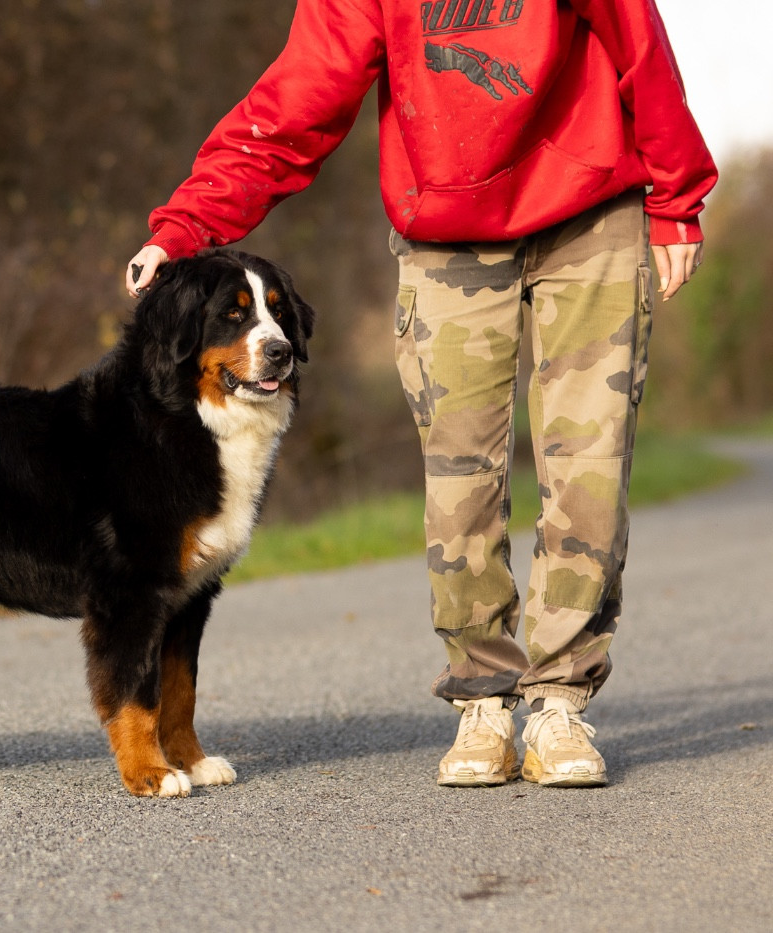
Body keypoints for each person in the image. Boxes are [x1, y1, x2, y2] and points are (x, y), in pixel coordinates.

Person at [126, 0, 716, 787]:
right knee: (460, 466)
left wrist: (678, 198)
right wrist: (186, 227)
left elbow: (640, 42)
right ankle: (485, 696)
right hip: (448, 223)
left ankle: (558, 702)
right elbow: (296, 104)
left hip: (590, 213)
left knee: (589, 461)